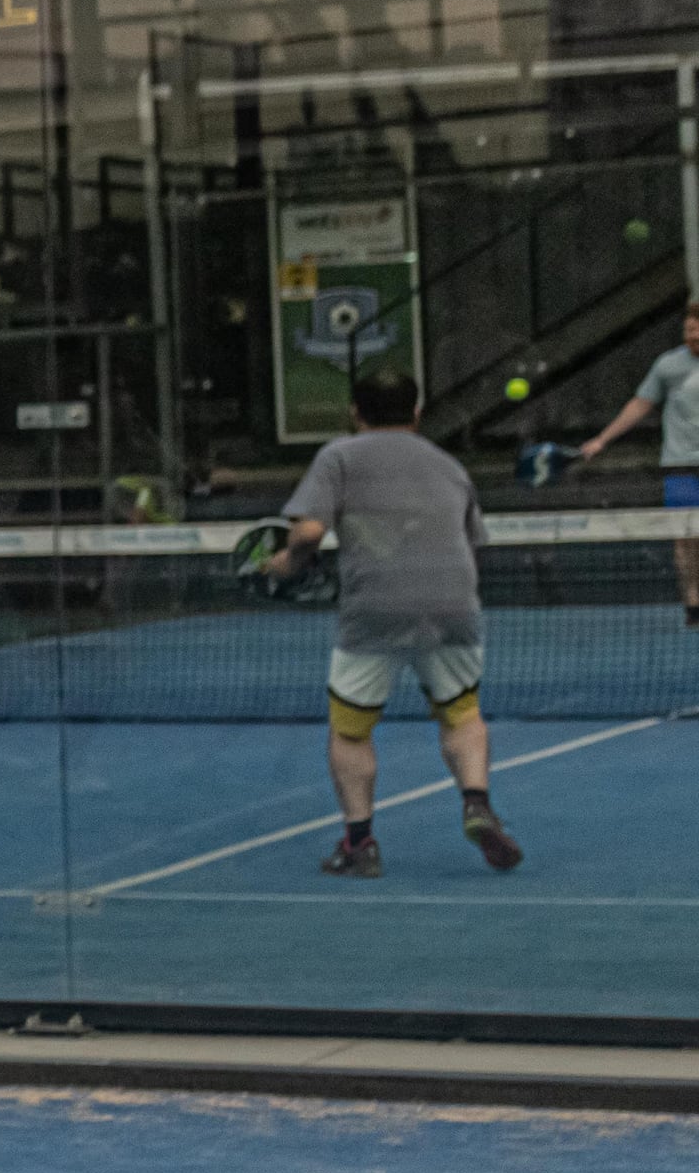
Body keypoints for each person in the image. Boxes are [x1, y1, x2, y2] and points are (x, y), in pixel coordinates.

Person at [282, 369, 518, 878]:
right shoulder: (450, 465)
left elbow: (309, 531)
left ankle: (360, 842)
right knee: (461, 712)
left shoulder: (338, 456)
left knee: (350, 730)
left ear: (354, 412)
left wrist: (284, 563)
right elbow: (474, 543)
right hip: (453, 601)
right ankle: (476, 802)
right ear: (416, 412)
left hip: (375, 609)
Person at [564, 296, 699, 625]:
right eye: (688, 329)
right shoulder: (668, 365)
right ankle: (694, 605)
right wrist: (602, 439)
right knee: (685, 538)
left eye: (697, 330)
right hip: (680, 466)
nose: (692, 335)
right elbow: (640, 405)